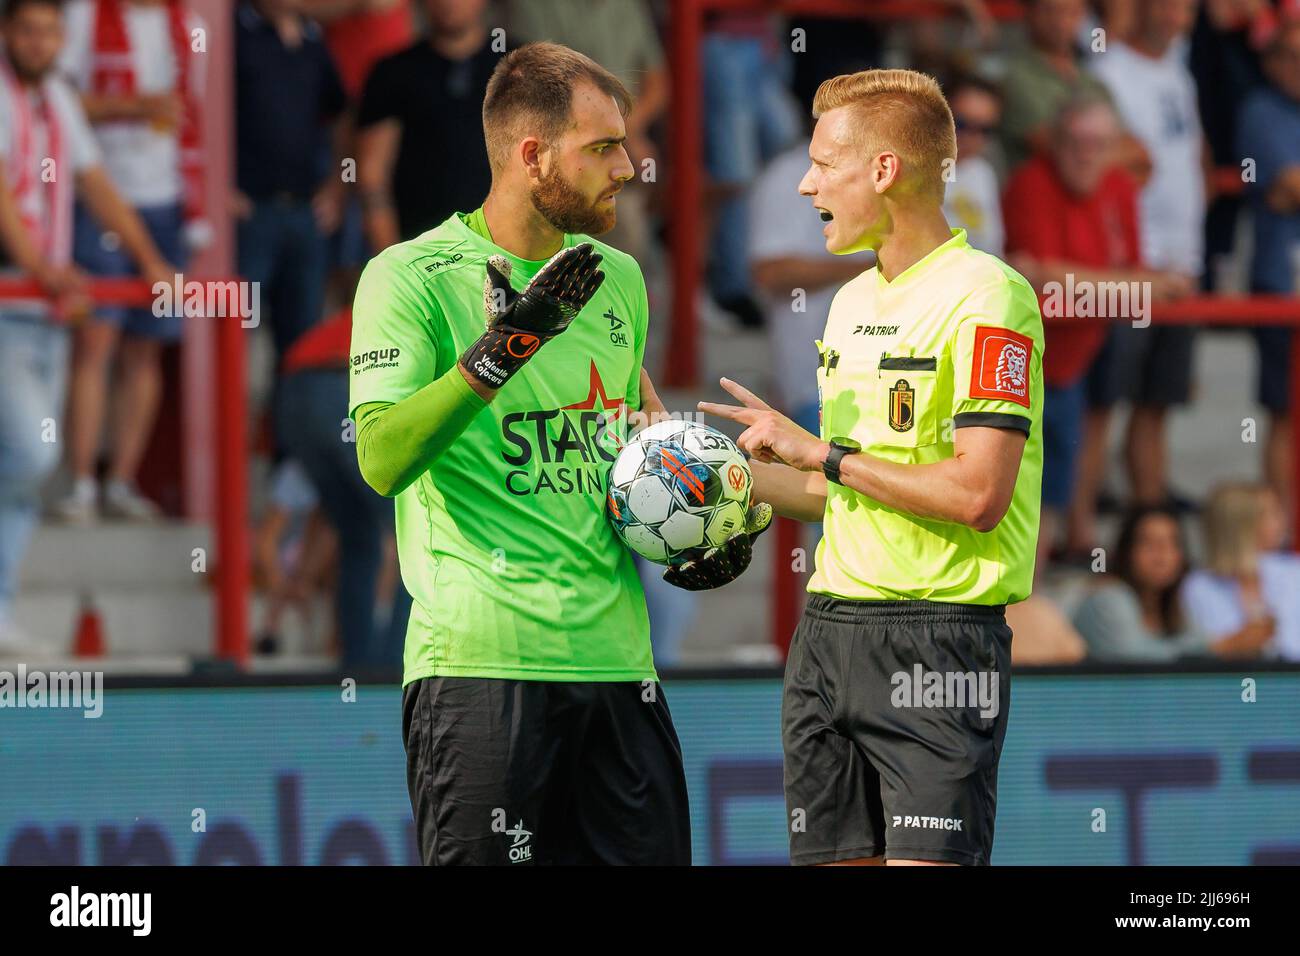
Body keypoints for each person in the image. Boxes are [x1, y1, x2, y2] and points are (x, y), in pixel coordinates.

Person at [350, 42, 764, 864]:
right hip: (480, 668)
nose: (630, 166)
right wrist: (500, 352)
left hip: (619, 667)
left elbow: (631, 448)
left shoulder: (618, 279)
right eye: (604, 148)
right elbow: (381, 458)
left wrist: (701, 530)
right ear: (532, 155)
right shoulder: (409, 277)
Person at [701, 69, 1044, 866]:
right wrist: (710, 470)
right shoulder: (851, 302)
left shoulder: (990, 297)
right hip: (827, 636)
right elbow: (838, 492)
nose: (804, 182)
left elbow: (978, 494)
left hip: (940, 647)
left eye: (824, 164)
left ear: (884, 171)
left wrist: (824, 452)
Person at [0, 0, 173, 648]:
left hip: (40, 307)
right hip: (13, 300)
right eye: (28, 30)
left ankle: (1, 610)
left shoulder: (56, 100)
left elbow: (96, 183)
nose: (40, 42)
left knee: (22, 469)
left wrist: (151, 259)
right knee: (30, 451)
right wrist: (42, 267)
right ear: (7, 32)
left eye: (50, 32)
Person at [1002, 95, 1192, 567]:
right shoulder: (1030, 183)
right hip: (1031, 353)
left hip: (1089, 339)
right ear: (1056, 143)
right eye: (1076, 142)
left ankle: (1070, 547)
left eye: (1099, 144)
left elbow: (1118, 267)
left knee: (1069, 459)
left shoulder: (1118, 186)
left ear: (1114, 149)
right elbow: (1038, 273)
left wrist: (1113, 284)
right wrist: (1136, 286)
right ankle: (1038, 572)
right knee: (1025, 477)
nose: (1086, 154)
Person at [53, 0, 207, 523]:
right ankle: (79, 483)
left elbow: (195, 112)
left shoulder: (186, 22)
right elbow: (61, 101)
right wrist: (135, 106)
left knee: (147, 349)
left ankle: (120, 481)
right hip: (99, 196)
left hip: (167, 200)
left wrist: (200, 205)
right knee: (96, 342)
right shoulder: (83, 13)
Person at [1089, 0, 1206, 510]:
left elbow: (1192, 157)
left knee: (1159, 397)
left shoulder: (1180, 72)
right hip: (1133, 262)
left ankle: (1149, 503)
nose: (1178, 12)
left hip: (1182, 257)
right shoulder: (1108, 68)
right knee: (1106, 399)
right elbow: (1109, 158)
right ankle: (1085, 516)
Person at [355, 0, 506, 251]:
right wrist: (394, 263)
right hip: (423, 255)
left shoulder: (518, 68)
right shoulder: (393, 73)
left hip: (507, 253)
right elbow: (373, 179)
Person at [1238, 16, 1300, 526]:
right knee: (1284, 411)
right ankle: (1284, 529)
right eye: (1292, 56)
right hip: (1281, 283)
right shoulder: (1261, 109)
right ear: (1273, 61)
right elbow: (1285, 185)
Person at [1073, 505, 1274, 661]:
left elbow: (1197, 641)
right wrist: (1220, 648)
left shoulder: (1175, 601)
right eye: (1149, 544)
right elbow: (1132, 661)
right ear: (1126, 553)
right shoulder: (1108, 597)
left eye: (1172, 544)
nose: (1162, 555)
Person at [1183, 483, 1300, 660]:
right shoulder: (1198, 586)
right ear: (1241, 525)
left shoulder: (1293, 572)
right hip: (1233, 684)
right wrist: (1235, 643)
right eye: (1271, 514)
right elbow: (1198, 655)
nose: (1282, 522)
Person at [942, 74, 1004, 257]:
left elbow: (995, 250)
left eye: (984, 130)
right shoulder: (907, 170)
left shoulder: (982, 172)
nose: (971, 137)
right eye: (961, 124)